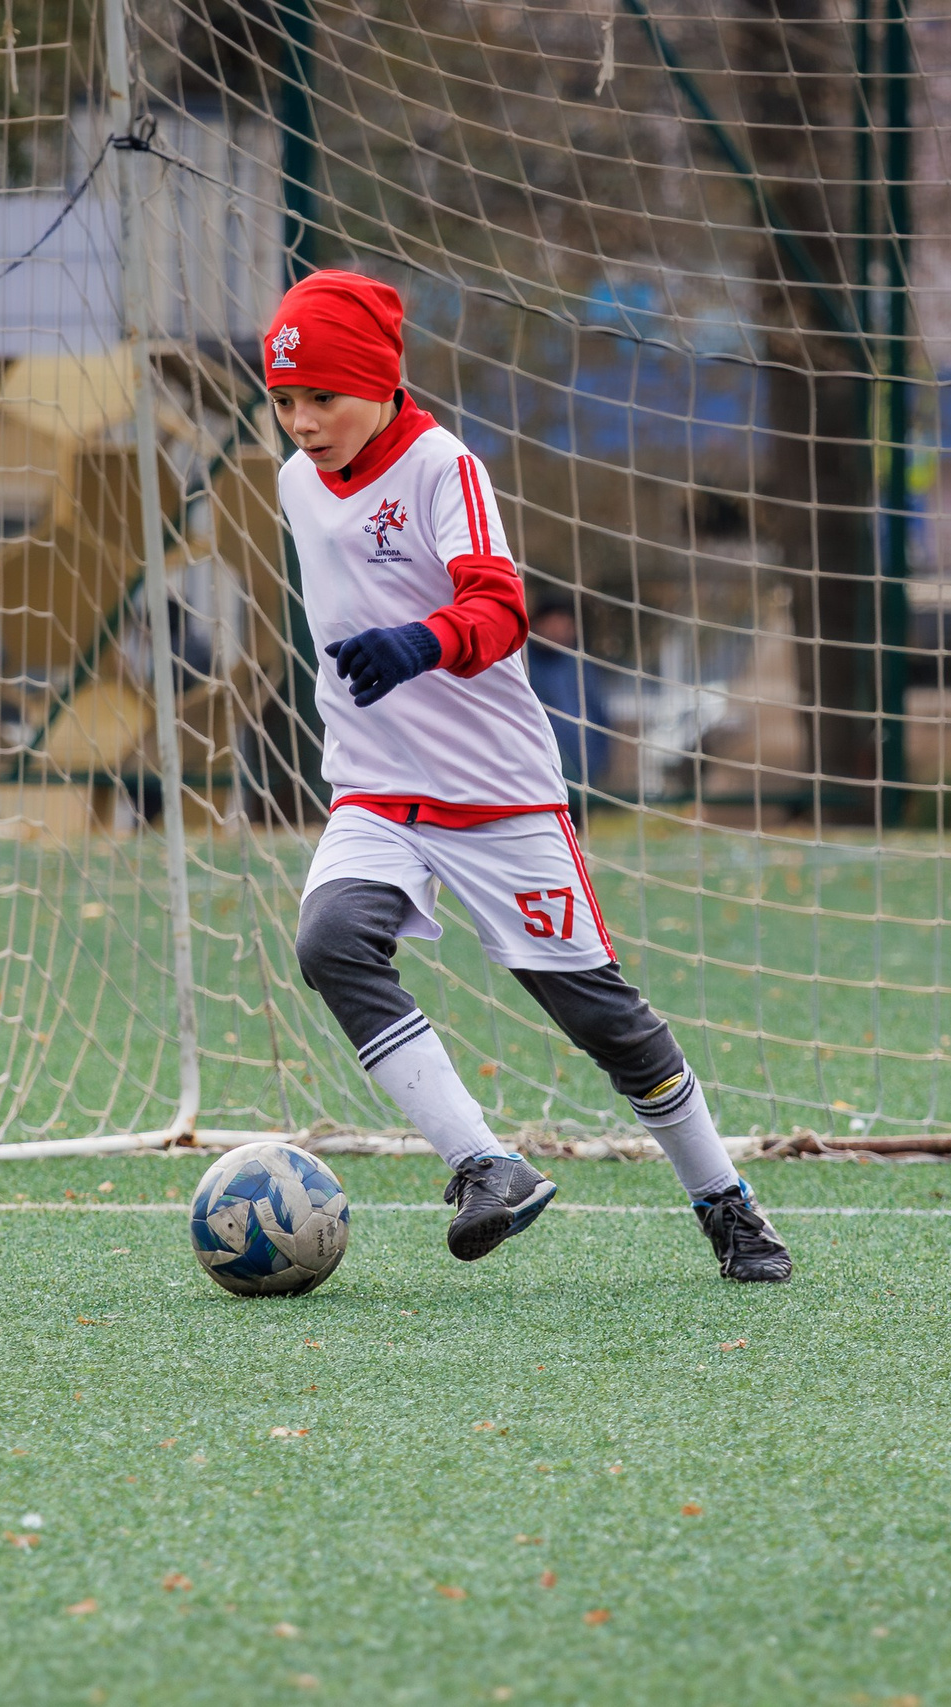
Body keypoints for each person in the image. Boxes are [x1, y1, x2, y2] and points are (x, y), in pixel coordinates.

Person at [267, 270, 791, 1280]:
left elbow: (502, 608)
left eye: (322, 397)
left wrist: (420, 643)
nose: (303, 422)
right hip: (375, 789)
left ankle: (725, 1202)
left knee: (602, 1018)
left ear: (379, 379)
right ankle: (485, 1165)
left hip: (496, 795)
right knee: (331, 940)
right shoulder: (296, 481)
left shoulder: (440, 467)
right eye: (285, 401)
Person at [525, 599, 613, 815]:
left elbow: (599, 713)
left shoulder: (581, 665)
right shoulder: (522, 663)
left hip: (582, 772)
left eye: (566, 625)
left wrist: (597, 759)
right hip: (535, 774)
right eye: (553, 623)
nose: (559, 631)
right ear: (537, 625)